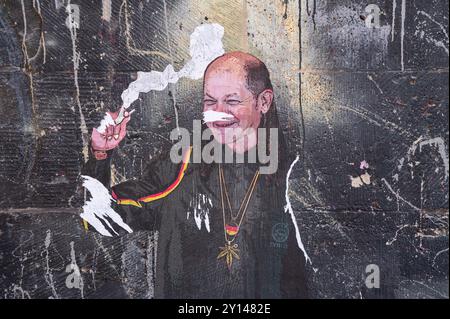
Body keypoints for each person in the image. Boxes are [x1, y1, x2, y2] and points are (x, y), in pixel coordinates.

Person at [83, 51, 308, 298]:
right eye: (210, 101)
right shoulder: (183, 162)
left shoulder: (295, 169)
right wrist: (100, 154)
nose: (217, 113)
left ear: (263, 101)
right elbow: (101, 217)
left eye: (231, 101)